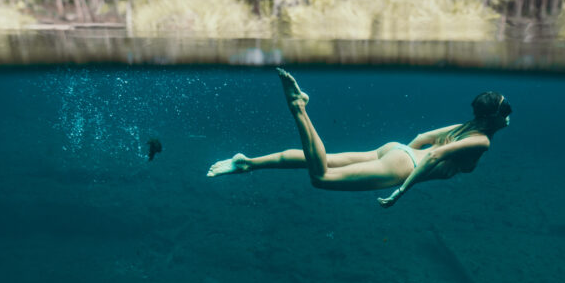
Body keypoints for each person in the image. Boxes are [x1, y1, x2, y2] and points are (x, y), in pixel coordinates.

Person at [207, 68, 511, 208]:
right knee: (320, 177)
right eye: (505, 110)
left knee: (321, 161)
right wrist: (401, 190)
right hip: (399, 166)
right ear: (491, 117)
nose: (509, 115)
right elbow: (433, 156)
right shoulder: (482, 140)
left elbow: (421, 139)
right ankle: (299, 107)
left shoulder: (464, 127)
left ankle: (249, 164)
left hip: (396, 150)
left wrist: (404, 153)